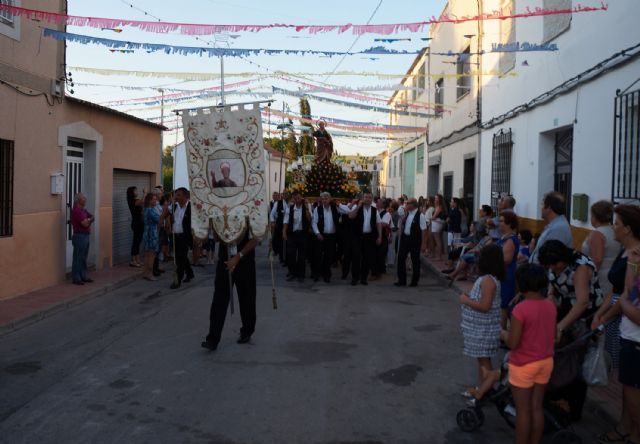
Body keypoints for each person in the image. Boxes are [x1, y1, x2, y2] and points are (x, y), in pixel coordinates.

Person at [538, 239, 604, 420]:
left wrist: (561, 326)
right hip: (564, 312)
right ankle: (557, 400)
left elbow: (582, 302)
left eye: (555, 265)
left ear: (564, 259)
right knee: (559, 358)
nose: (553, 269)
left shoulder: (580, 268)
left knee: (574, 362)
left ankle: (572, 410)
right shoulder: (554, 264)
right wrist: (551, 295)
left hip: (582, 319)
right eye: (550, 266)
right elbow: (553, 282)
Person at [592, 205, 640, 444]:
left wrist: (606, 316)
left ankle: (633, 431)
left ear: (628, 229)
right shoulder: (625, 251)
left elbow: (626, 297)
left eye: (617, 223)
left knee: (631, 381)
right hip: (617, 317)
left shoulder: (636, 257)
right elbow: (616, 287)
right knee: (625, 379)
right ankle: (624, 424)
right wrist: (601, 313)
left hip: (625, 321)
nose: (614, 227)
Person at [501, 263, 557, 444]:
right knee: (536, 408)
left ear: (521, 284)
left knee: (523, 411)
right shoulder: (550, 306)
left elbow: (513, 343)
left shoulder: (521, 309)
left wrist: (503, 333)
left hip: (523, 364)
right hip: (545, 362)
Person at [459, 244, 504, 402]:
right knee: (482, 360)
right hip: (481, 328)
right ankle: (483, 387)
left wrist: (466, 300)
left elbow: (485, 306)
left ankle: (485, 389)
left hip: (483, 329)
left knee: (484, 360)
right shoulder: (488, 279)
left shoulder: (488, 281)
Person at [201, 230, 259, 351]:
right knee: (219, 299)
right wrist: (214, 224)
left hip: (245, 261)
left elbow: (255, 239)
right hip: (225, 259)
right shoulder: (222, 211)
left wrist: (238, 257)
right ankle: (213, 338)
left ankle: (247, 331)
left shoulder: (249, 211)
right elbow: (216, 239)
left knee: (247, 297)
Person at [582, 200, 618, 296]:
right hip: (613, 273)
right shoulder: (614, 230)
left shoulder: (597, 234)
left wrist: (588, 278)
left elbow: (597, 260)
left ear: (595, 216)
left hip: (600, 277)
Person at [348, 191, 382, 286]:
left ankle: (363, 278)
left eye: (369, 197)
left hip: (369, 237)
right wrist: (358, 207)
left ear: (371, 200)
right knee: (356, 257)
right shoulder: (357, 208)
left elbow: (378, 223)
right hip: (358, 237)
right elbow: (350, 216)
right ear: (363, 198)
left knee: (367, 258)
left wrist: (380, 236)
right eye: (366, 197)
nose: (367, 199)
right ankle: (355, 278)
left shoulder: (374, 210)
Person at [529, 192, 573, 264]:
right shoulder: (555, 225)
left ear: (549, 207)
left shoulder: (558, 228)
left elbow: (550, 258)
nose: (541, 208)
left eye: (542, 204)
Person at [395, 198, 427, 287]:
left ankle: (414, 281)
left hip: (415, 240)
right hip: (405, 238)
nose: (406, 205)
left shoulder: (420, 215)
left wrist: (424, 244)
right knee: (401, 258)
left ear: (413, 204)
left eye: (407, 203)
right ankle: (402, 280)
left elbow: (424, 231)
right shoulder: (407, 214)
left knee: (415, 260)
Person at [312, 192, 343, 283]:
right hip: (321, 236)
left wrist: (339, 204)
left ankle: (327, 275)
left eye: (326, 198)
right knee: (318, 256)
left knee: (328, 257)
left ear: (330, 199)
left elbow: (346, 210)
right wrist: (317, 233)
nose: (325, 200)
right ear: (321, 200)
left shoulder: (335, 208)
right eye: (323, 199)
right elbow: (314, 222)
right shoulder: (318, 209)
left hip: (332, 237)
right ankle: (316, 274)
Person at [497, 211, 520, 328]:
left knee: (504, 306)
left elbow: (506, 260)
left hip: (505, 276)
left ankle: (503, 333)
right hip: (502, 275)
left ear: (509, 224)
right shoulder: (505, 237)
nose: (499, 223)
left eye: (501, 221)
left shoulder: (510, 240)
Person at [283, 191, 311, 282]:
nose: (297, 200)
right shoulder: (290, 208)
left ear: (301, 197)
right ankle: (292, 273)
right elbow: (286, 221)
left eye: (299, 197)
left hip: (303, 234)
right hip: (292, 234)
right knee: (291, 254)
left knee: (302, 256)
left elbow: (309, 219)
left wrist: (306, 207)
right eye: (295, 198)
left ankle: (301, 275)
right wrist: (284, 232)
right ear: (293, 199)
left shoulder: (306, 206)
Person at [170, 187, 194, 289]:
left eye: (179, 195)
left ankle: (178, 280)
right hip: (175, 236)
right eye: (176, 195)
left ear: (185, 196)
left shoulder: (191, 207)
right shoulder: (174, 206)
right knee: (181, 257)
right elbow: (166, 212)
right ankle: (190, 273)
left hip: (185, 237)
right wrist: (163, 220)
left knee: (180, 259)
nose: (176, 197)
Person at [70, 192, 95, 285]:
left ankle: (83, 275)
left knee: (83, 257)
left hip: (85, 235)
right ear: (78, 200)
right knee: (78, 257)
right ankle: (76, 277)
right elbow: (84, 224)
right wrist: (89, 220)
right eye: (83, 198)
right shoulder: (76, 211)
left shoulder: (84, 211)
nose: (85, 199)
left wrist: (88, 220)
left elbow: (92, 217)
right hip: (79, 236)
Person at [142, 192, 160, 281]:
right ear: (149, 201)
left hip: (147, 233)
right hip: (152, 234)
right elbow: (159, 219)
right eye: (154, 199)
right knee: (151, 255)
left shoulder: (146, 209)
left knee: (146, 255)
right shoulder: (151, 210)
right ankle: (150, 273)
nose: (155, 201)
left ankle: (145, 273)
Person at [126, 186, 144, 267]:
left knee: (138, 242)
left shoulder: (135, 200)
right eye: (135, 190)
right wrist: (145, 193)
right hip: (136, 223)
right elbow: (142, 202)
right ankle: (133, 260)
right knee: (136, 242)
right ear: (132, 192)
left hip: (140, 222)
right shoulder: (132, 201)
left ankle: (137, 259)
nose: (137, 191)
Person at [270, 192, 287, 265]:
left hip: (288, 225)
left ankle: (286, 258)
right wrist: (273, 222)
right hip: (279, 224)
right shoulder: (277, 203)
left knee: (286, 243)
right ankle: (281, 257)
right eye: (283, 195)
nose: (284, 196)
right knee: (279, 242)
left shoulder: (290, 203)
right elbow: (272, 214)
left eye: (286, 195)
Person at [430, 194, 447, 261]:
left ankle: (439, 257)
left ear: (439, 200)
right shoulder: (437, 207)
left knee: (438, 240)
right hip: (435, 224)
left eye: (437, 198)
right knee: (436, 239)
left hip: (437, 224)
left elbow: (434, 216)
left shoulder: (439, 207)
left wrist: (431, 218)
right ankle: (437, 255)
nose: (435, 200)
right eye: (435, 198)